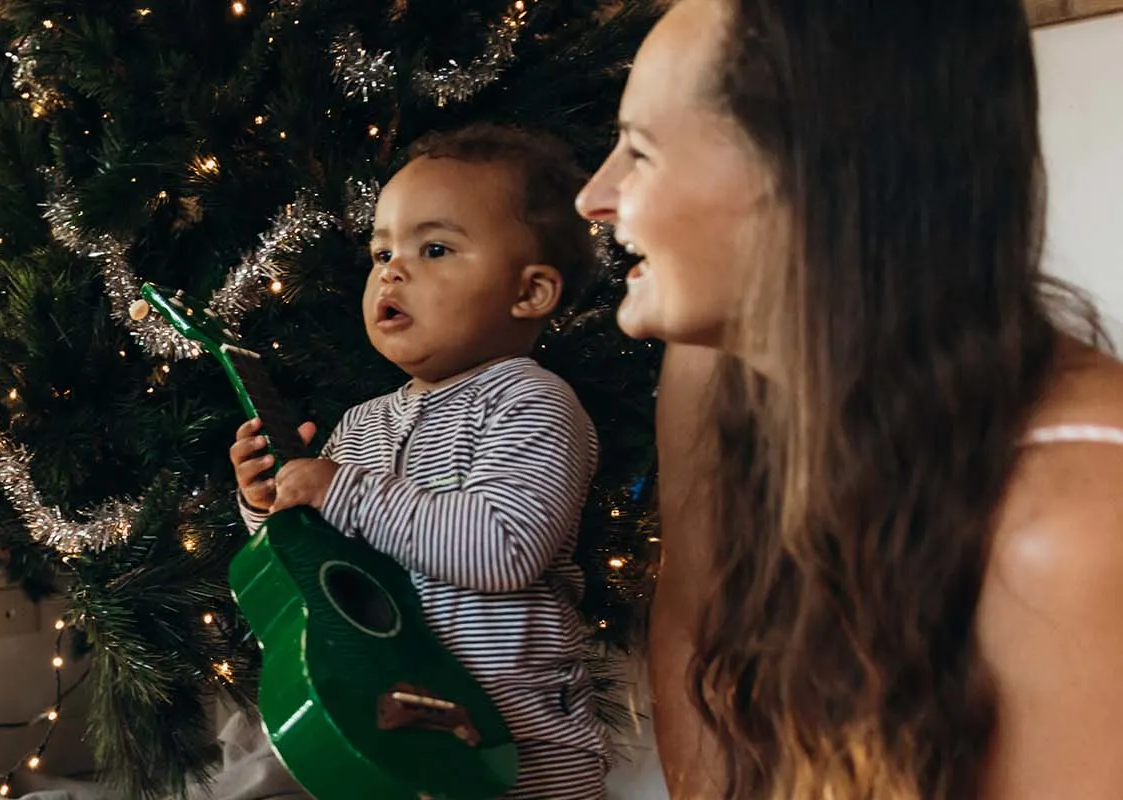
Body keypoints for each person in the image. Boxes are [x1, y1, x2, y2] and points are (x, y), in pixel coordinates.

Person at [573, 1, 1123, 797]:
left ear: (808, 171)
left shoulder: (1073, 525)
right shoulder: (787, 408)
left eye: (641, 151)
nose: (595, 195)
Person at [231, 124, 607, 799]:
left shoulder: (534, 403)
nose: (392, 270)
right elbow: (325, 573)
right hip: (399, 732)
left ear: (530, 293)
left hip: (521, 755)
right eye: (381, 252)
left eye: (434, 249)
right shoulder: (363, 423)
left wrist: (343, 491)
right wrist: (270, 506)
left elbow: (503, 547)